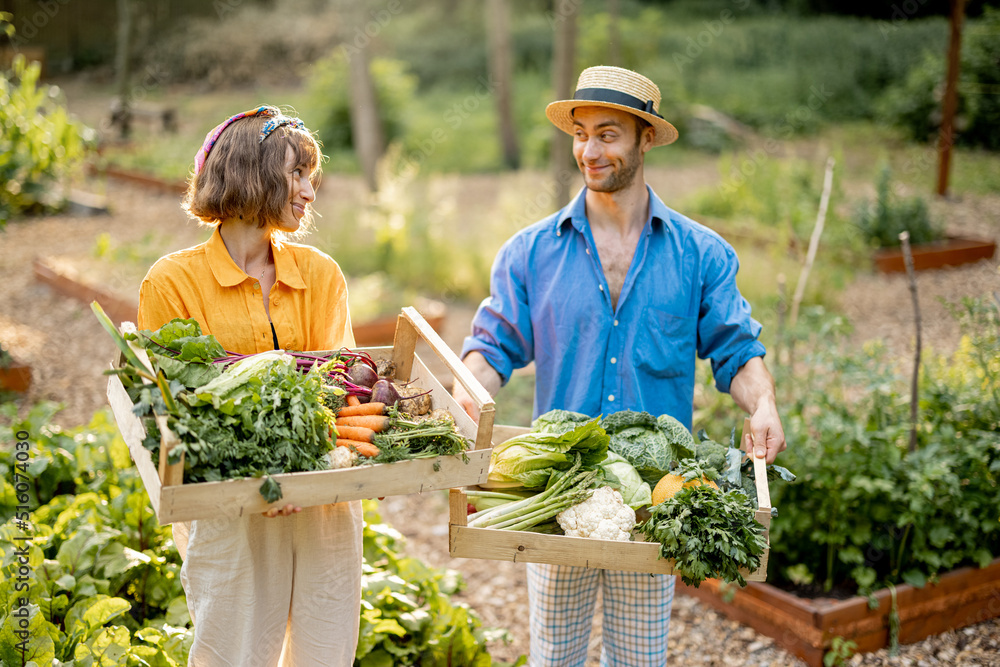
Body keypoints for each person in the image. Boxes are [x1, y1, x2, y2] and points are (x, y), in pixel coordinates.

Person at [453, 66, 787, 666]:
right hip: (557, 496)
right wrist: (458, 397)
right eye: (580, 134)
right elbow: (492, 348)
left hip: (652, 504)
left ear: (645, 139)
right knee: (555, 656)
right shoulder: (530, 252)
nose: (589, 150)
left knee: (638, 659)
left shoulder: (701, 254)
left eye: (607, 135)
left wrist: (762, 403)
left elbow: (737, 349)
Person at [137, 106, 362, 667]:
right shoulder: (172, 282)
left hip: (322, 502)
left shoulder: (321, 273)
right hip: (229, 503)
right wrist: (261, 480)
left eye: (311, 175)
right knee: (232, 652)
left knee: (325, 649)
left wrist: (298, 478)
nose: (310, 191)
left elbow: (338, 388)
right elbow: (177, 408)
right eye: (296, 173)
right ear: (249, 172)